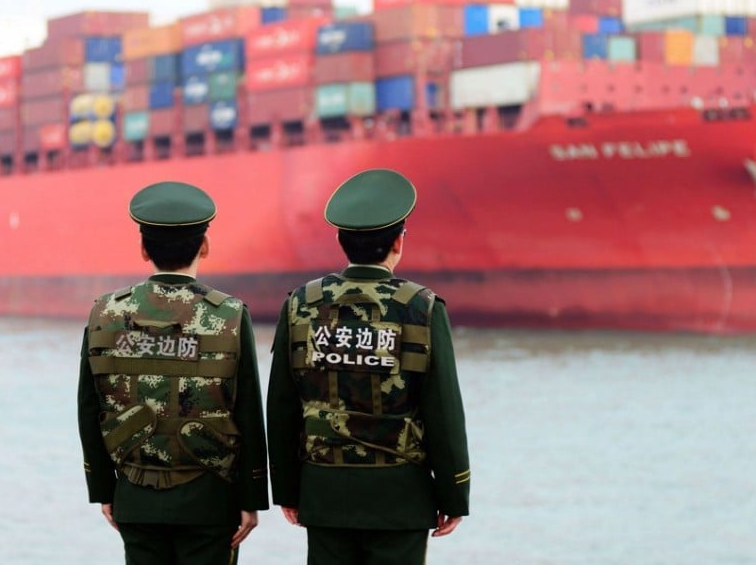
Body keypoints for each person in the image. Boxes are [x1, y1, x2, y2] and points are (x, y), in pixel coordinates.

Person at [266, 168, 471, 564]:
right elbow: (443, 409)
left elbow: (283, 406)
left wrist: (289, 491)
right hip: (400, 496)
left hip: (324, 492)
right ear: (398, 242)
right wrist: (453, 494)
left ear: (342, 242)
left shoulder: (301, 304)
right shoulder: (421, 307)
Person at [77, 180, 269, 564]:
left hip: (135, 496)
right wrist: (251, 499)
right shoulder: (229, 315)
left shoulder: (106, 313)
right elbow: (247, 411)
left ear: (144, 249)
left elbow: (89, 407)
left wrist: (104, 490)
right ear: (205, 246)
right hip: (211, 502)